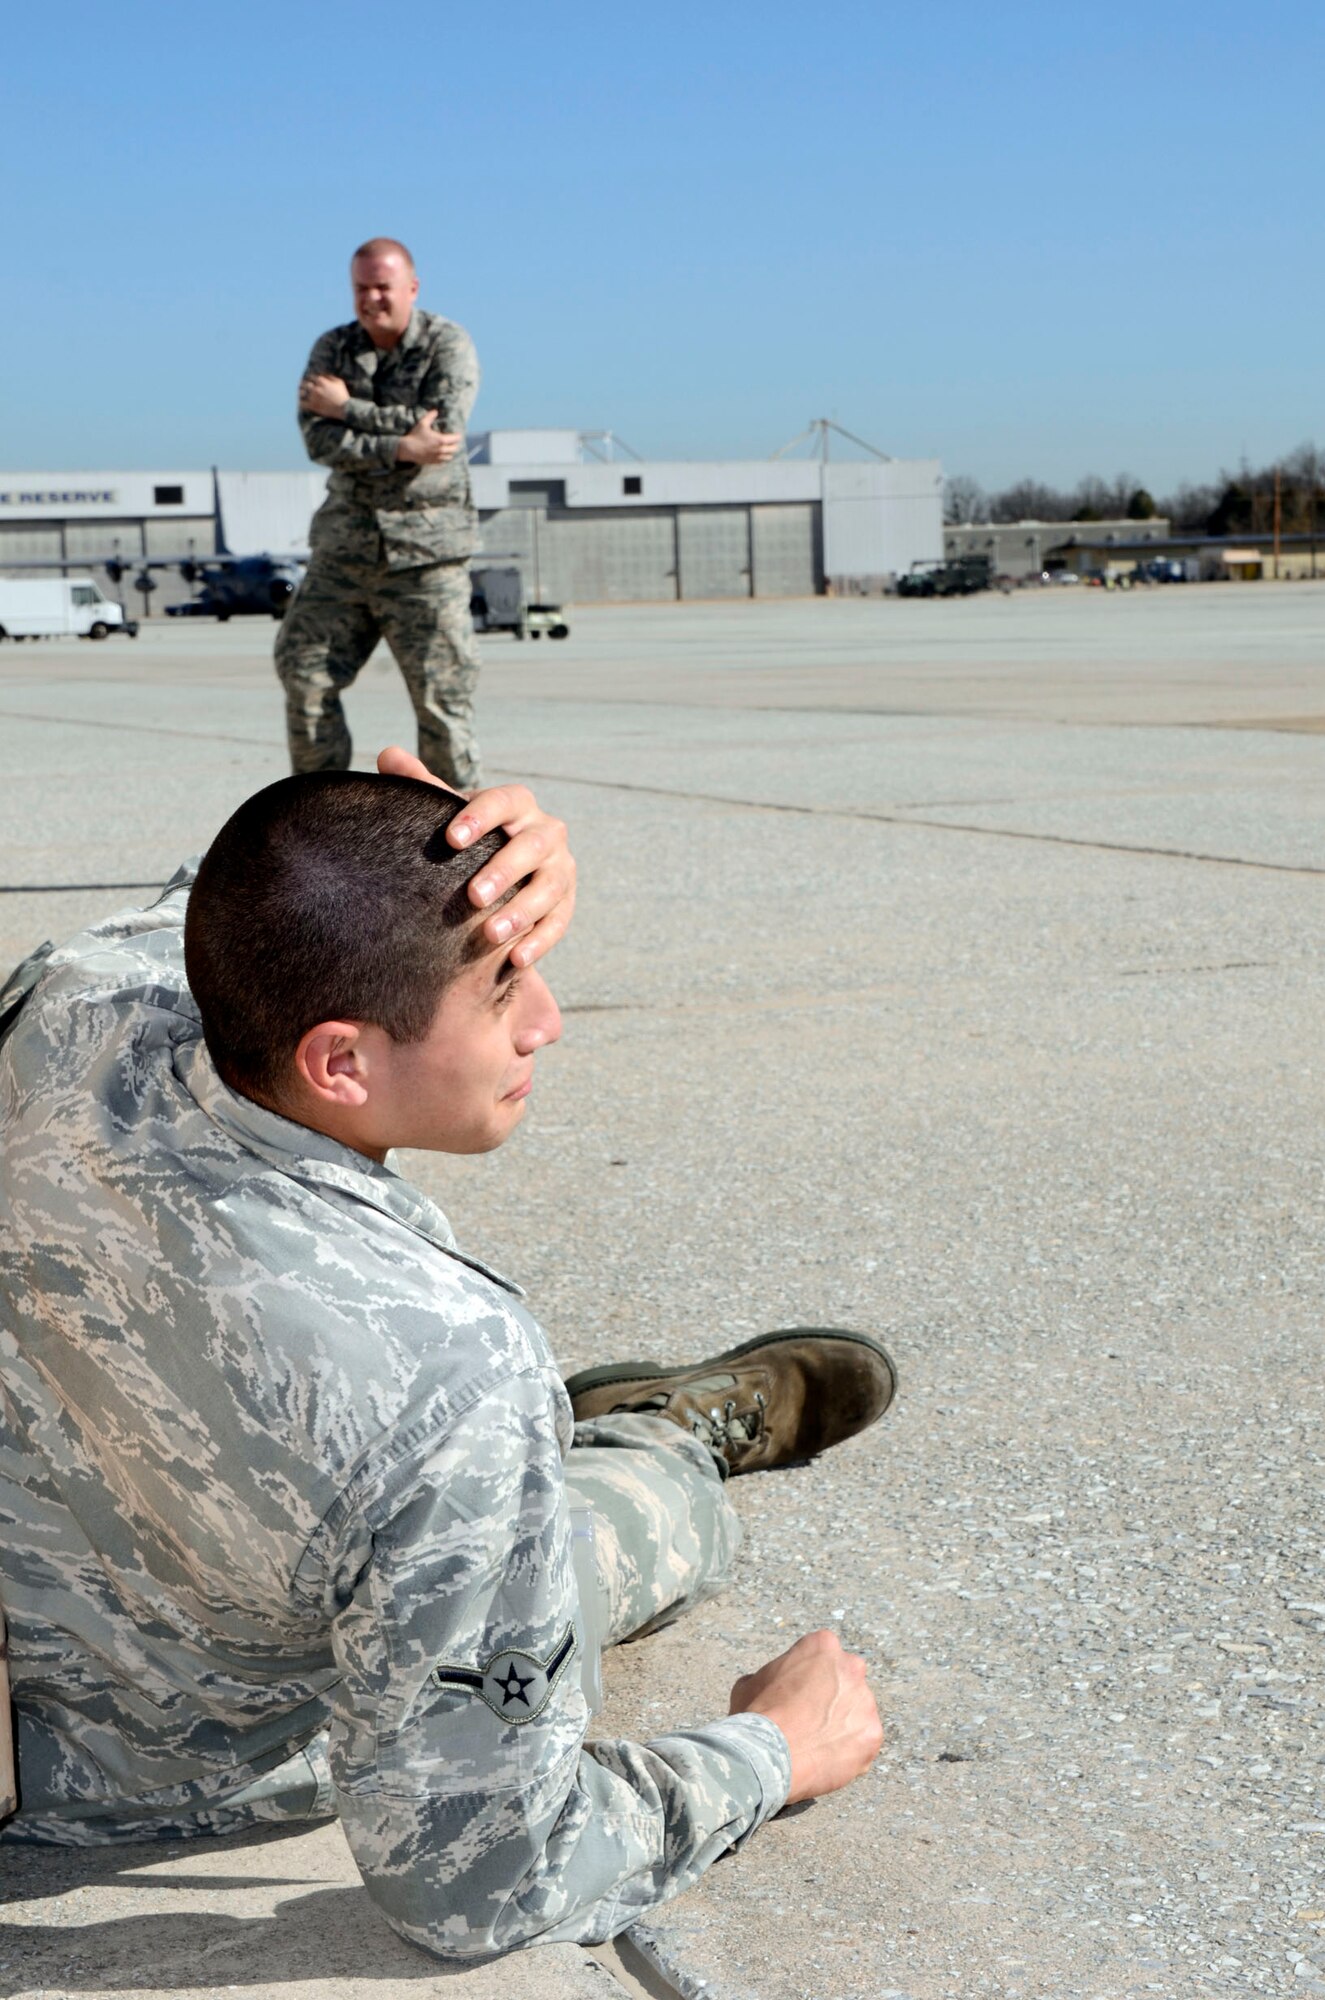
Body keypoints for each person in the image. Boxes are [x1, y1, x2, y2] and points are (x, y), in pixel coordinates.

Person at [0, 764, 895, 1963]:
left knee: (449, 1504)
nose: (547, 1021)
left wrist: (445, 844)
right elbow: (480, 1876)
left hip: (65, 1580)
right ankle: (662, 1435)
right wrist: (772, 1750)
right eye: (504, 984)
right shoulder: (443, 1381)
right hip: (153, 1741)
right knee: (627, 1528)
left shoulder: (83, 993)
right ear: (340, 1064)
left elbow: (263, 898)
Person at [275, 238, 483, 789]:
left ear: (411, 288)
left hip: (427, 556)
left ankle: (455, 846)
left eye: (383, 287)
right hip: (345, 551)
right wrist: (397, 449)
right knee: (302, 670)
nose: (371, 299)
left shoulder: (447, 344)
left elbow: (439, 431)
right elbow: (319, 442)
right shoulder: (332, 349)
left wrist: (347, 409)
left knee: (442, 698)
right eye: (361, 288)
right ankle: (317, 826)